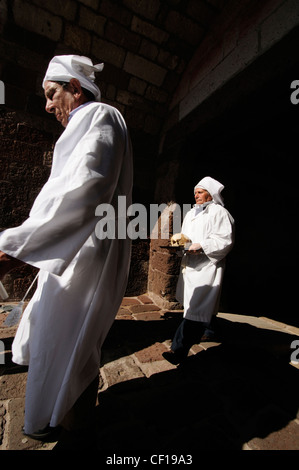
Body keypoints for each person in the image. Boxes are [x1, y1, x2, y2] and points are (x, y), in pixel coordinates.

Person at [0, 55, 133, 439]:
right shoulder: (91, 121)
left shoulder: (99, 115)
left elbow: (87, 190)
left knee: (65, 340)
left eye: (51, 93)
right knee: (66, 340)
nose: (47, 105)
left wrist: (13, 249)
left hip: (82, 255)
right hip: (74, 249)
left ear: (75, 88)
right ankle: (64, 417)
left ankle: (62, 422)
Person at [163, 176, 234, 365]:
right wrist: (179, 245)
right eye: (195, 192)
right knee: (200, 305)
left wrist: (201, 246)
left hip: (207, 267)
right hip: (191, 266)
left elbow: (225, 239)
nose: (196, 195)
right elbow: (186, 238)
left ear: (210, 194)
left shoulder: (220, 213)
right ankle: (210, 330)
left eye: (200, 192)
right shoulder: (191, 213)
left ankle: (178, 350)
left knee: (195, 309)